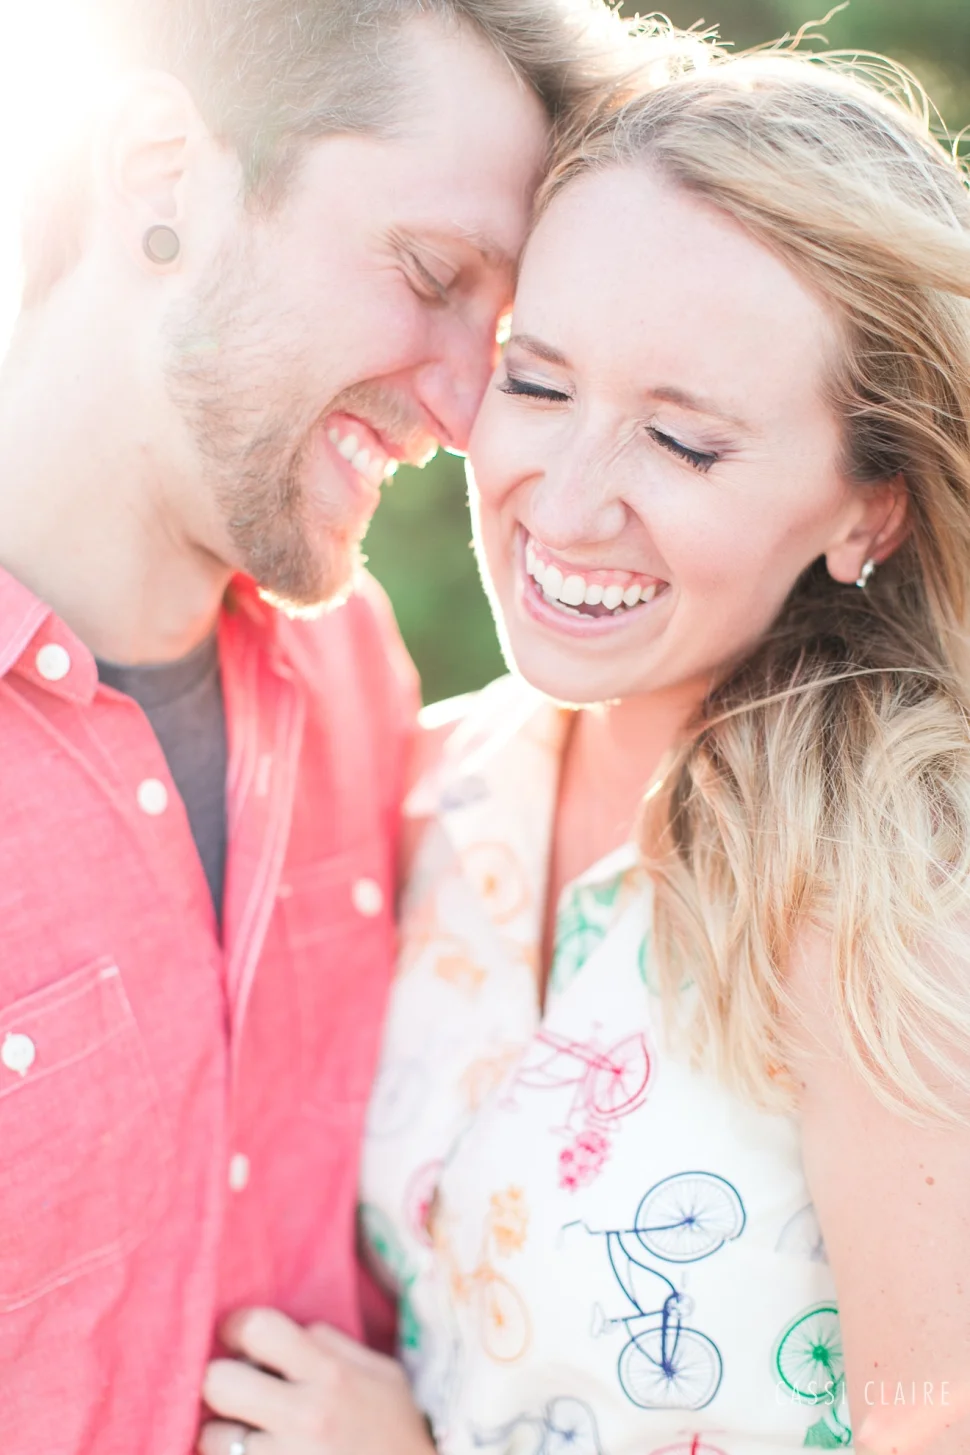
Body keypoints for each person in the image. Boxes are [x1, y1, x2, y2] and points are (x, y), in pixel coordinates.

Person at [199, 36, 970, 1455]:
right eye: (537, 385)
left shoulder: (898, 894)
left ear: (870, 512)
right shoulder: (435, 789)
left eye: (682, 442)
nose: (568, 500)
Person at [0, 0, 639, 1449]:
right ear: (164, 173)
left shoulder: (360, 681)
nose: (477, 408)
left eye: (507, 328)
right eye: (430, 273)